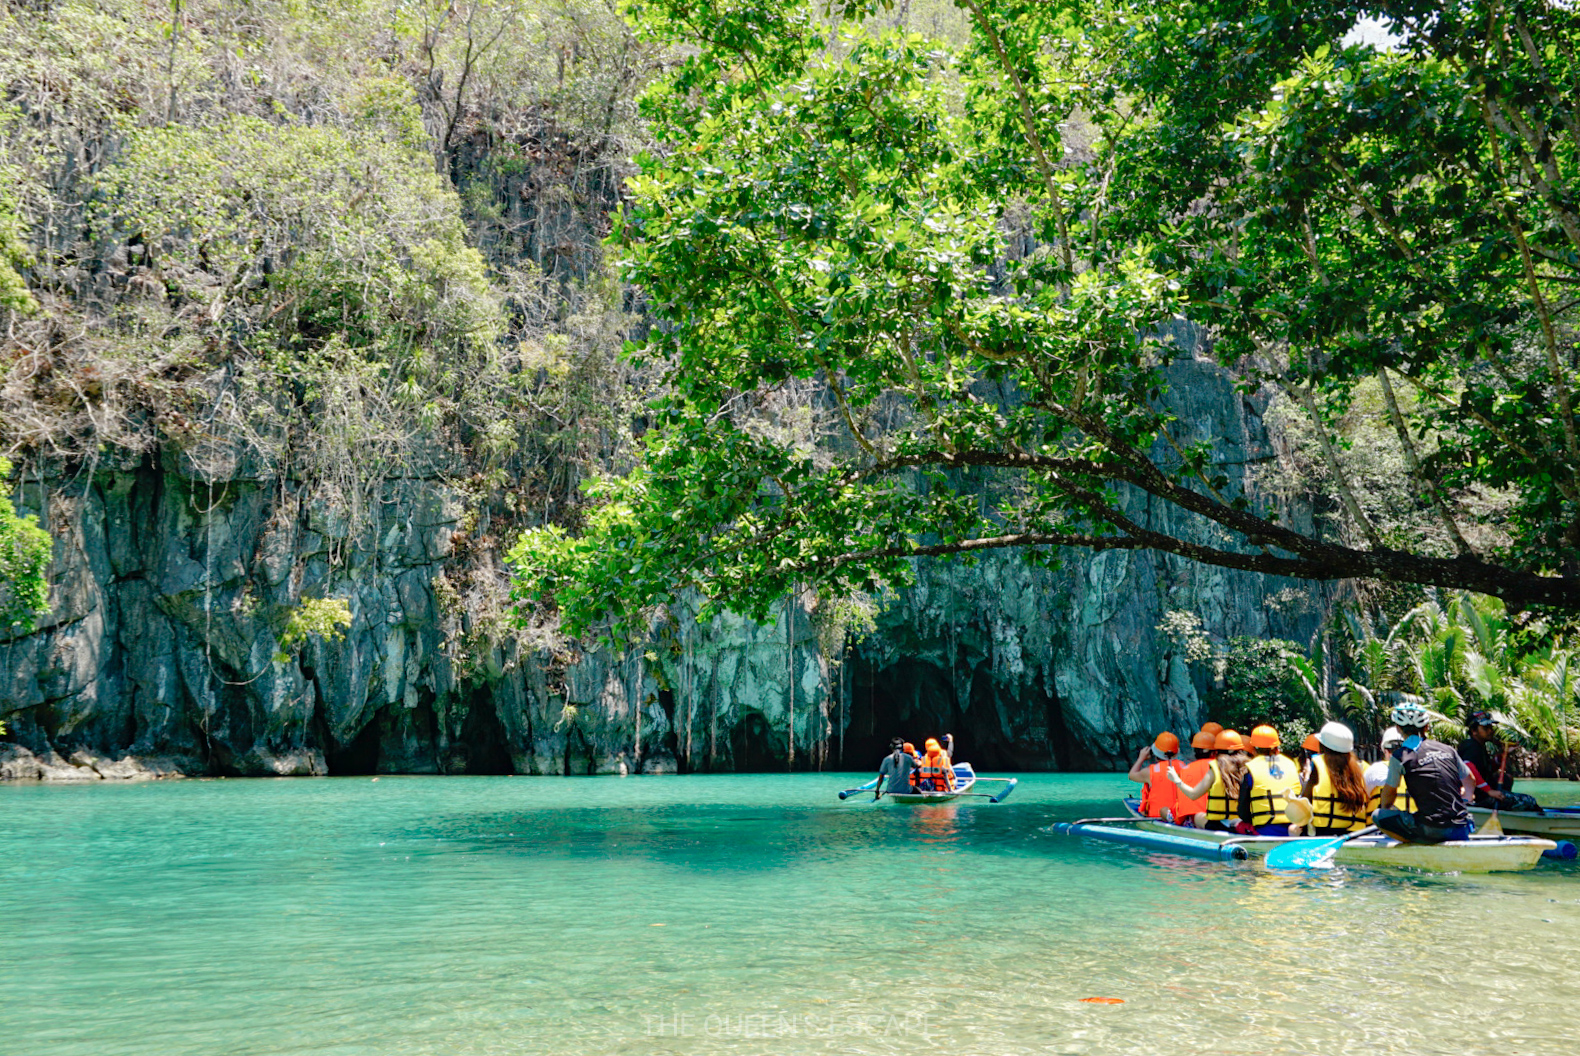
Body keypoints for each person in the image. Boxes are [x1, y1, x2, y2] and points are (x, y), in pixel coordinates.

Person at [1373, 702, 1475, 843]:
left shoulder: (1400, 756)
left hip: (1431, 830)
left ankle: (1415, 845)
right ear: (1426, 727)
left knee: (1378, 815)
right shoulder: (1448, 750)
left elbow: (1389, 794)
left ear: (1398, 728)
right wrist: (1466, 798)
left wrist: (1386, 811)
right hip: (1460, 827)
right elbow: (1470, 780)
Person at [1459, 710, 1542, 813]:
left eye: (1490, 727)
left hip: (1481, 794)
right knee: (1530, 801)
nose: (1490, 731)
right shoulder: (1472, 746)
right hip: (1478, 797)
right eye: (1485, 728)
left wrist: (1503, 755)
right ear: (1474, 731)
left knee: (1507, 779)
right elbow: (1468, 767)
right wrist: (1489, 791)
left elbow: (1487, 769)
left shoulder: (1479, 746)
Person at [1297, 721, 1370, 836]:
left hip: (1324, 832)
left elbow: (1306, 800)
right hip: (1354, 832)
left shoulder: (1318, 764)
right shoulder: (1360, 767)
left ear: (1323, 746)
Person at [1167, 729, 1250, 830]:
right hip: (1241, 823)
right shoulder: (1248, 767)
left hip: (1218, 825)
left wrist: (1176, 780)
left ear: (1216, 751)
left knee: (1198, 816)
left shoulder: (1216, 768)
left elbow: (1193, 795)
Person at [1239, 724, 1300, 836]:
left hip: (1265, 830)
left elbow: (1242, 811)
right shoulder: (1290, 764)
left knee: (1237, 824)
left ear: (1253, 749)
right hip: (1294, 828)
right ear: (1276, 747)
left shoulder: (1251, 768)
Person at [1128, 732, 1183, 819]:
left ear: (1155, 752)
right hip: (1181, 816)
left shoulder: (1149, 772)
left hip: (1157, 816)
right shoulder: (1185, 768)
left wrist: (1141, 758)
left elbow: (1131, 775)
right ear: (1176, 752)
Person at [1364, 727, 1414, 815]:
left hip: (1379, 827)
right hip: (1413, 825)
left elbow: (1362, 797)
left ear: (1385, 751)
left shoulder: (1376, 769)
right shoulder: (1418, 770)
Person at [1173, 731, 1217, 826]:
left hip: (1191, 821)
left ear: (1195, 751)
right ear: (1215, 752)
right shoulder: (1222, 768)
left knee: (1164, 810)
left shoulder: (1184, 770)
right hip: (1216, 819)